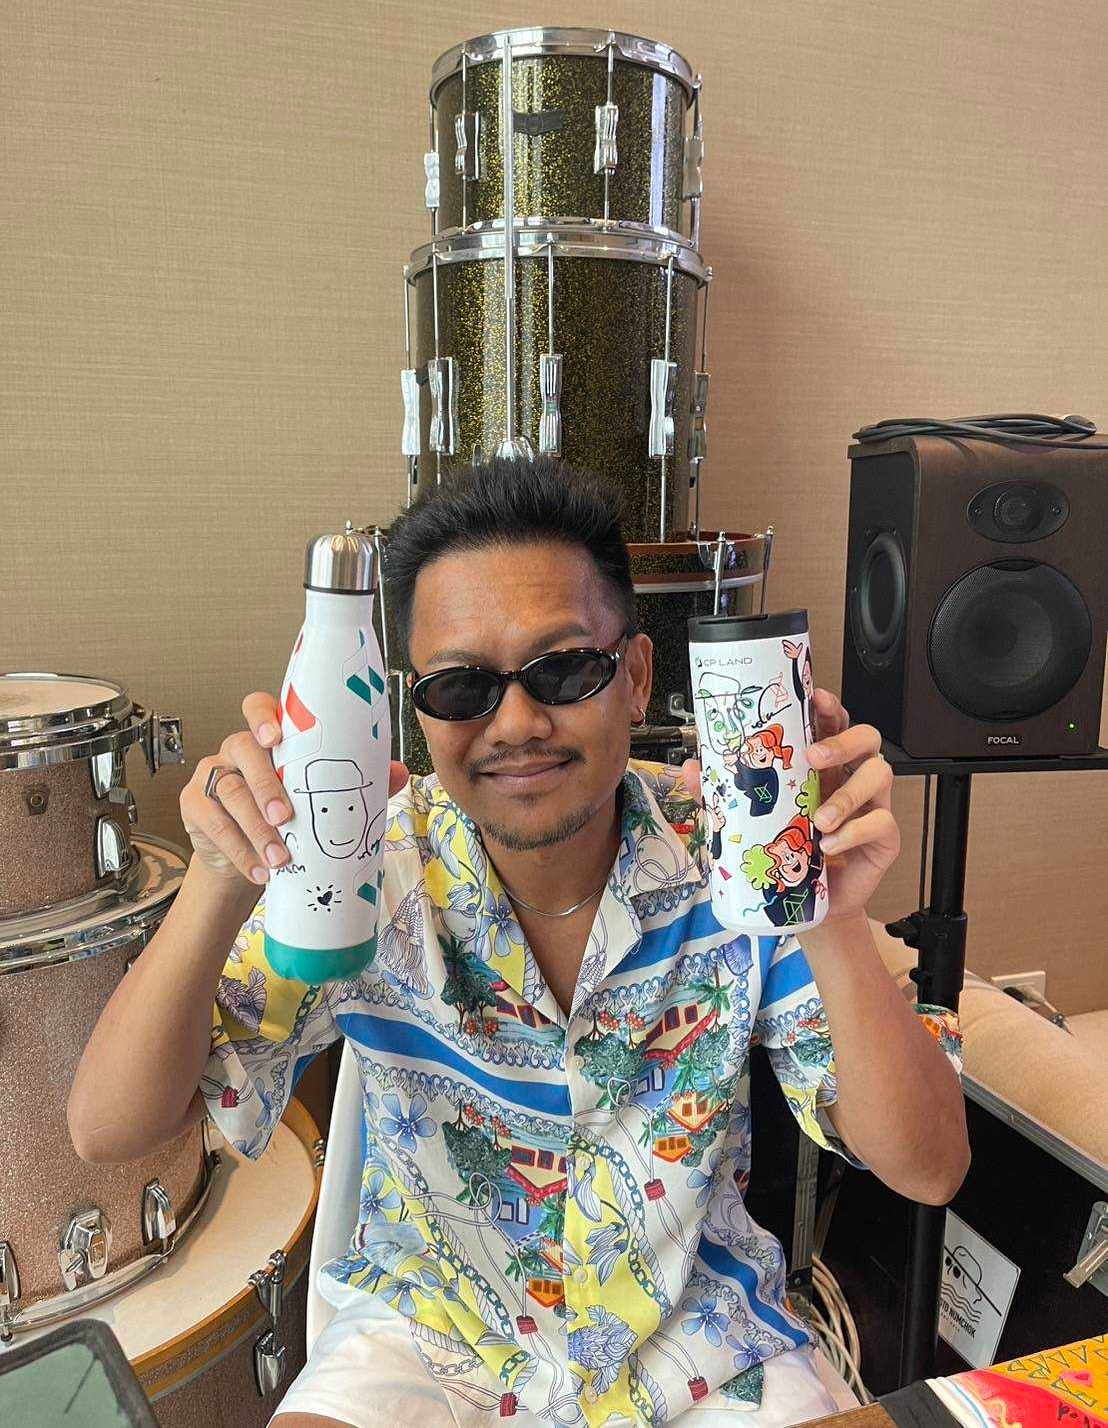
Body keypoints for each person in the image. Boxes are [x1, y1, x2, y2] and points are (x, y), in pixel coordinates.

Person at [68, 459, 969, 1428]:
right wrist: (217, 876)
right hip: (429, 1336)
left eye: (564, 669)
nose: (518, 722)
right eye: (463, 686)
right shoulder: (370, 870)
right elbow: (108, 1129)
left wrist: (830, 915)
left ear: (636, 677)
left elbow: (930, 1167)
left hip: (699, 1342)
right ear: (413, 707)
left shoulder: (735, 854)